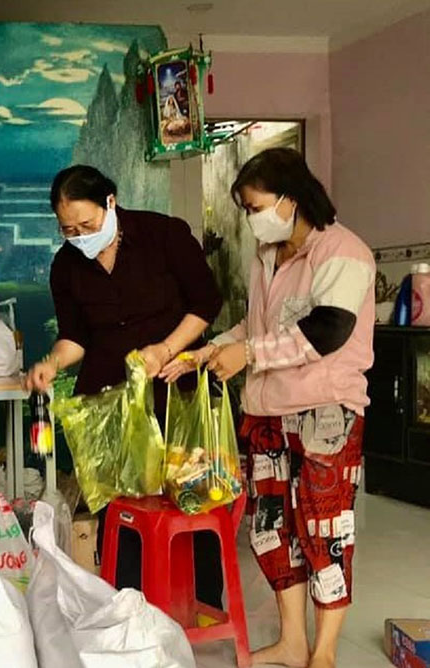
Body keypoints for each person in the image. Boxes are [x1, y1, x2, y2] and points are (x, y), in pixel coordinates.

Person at [164, 148, 375, 668]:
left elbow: (329, 330)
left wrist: (250, 353)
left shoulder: (343, 251)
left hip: (325, 413)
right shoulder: (267, 257)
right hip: (266, 415)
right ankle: (291, 640)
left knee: (324, 530)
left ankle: (322, 652)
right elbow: (256, 329)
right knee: (273, 531)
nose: (251, 218)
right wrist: (208, 351)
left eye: (255, 206)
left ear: (291, 198)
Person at [26, 164, 224, 605]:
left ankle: (200, 604)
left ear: (110, 203)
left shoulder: (164, 235)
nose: (79, 236)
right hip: (108, 402)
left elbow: (207, 302)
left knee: (192, 500)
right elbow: (75, 336)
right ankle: (128, 606)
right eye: (69, 229)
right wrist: (52, 363)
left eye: (88, 225)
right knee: (120, 512)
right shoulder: (66, 266)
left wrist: (165, 349)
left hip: (175, 390)